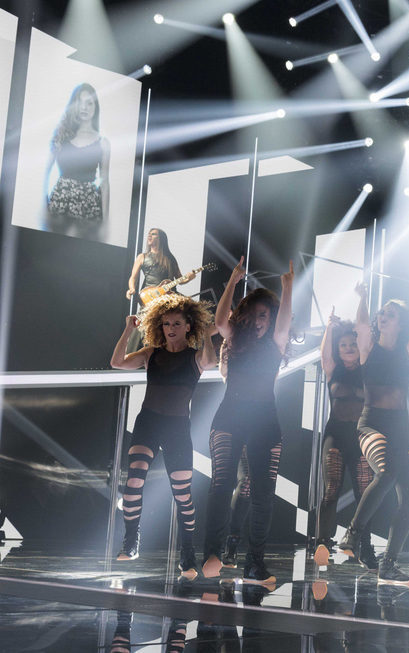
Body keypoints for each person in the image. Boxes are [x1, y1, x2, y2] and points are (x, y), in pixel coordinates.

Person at [109, 293, 217, 579]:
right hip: (148, 422)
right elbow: (117, 362)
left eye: (177, 323)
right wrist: (129, 330)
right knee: (133, 480)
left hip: (177, 427)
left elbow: (211, 358)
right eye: (167, 323)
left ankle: (188, 552)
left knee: (183, 495)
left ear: (188, 326)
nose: (171, 328)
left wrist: (207, 334)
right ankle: (131, 540)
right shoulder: (151, 353)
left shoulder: (194, 357)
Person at [337, 283, 409, 585]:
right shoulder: (368, 347)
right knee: (388, 471)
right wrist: (364, 299)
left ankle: (388, 565)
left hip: (401, 429)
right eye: (382, 313)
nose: (383, 317)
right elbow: (361, 325)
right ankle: (352, 535)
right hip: (371, 424)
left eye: (390, 314)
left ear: (400, 322)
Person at [202, 257, 294, 584]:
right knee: (222, 481)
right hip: (229, 417)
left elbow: (284, 322)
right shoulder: (233, 339)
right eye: (253, 315)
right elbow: (220, 318)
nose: (258, 321)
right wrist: (232, 281)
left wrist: (287, 287)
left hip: (265, 422)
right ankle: (212, 552)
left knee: (262, 493)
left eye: (264, 316)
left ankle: (254, 563)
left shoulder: (276, 344)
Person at [314, 310, 375, 569]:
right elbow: (324, 354)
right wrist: (329, 326)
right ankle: (322, 544)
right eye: (343, 345)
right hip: (335, 435)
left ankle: (364, 546)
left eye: (352, 344)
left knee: (365, 494)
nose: (349, 348)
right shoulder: (333, 369)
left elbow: (366, 339)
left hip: (361, 437)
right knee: (330, 491)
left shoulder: (368, 368)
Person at [43, 83, 110, 240]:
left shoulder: (103, 143)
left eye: (89, 103)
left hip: (89, 206)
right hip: (60, 203)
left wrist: (105, 222)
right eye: (80, 102)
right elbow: (45, 172)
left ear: (96, 107)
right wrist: (44, 206)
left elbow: (105, 182)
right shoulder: (61, 135)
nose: (84, 107)